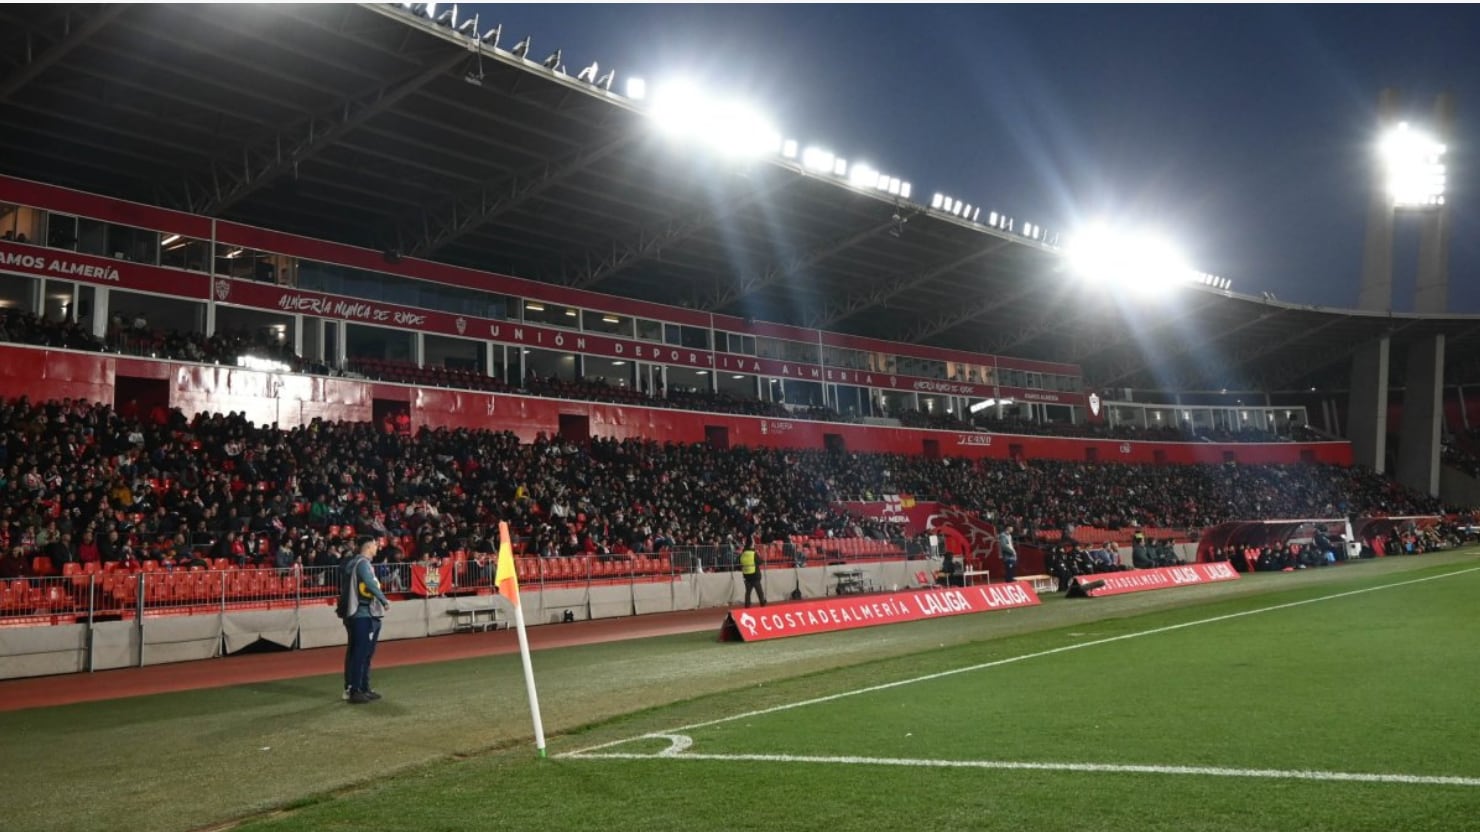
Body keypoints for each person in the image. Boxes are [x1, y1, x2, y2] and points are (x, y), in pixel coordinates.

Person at [337, 537, 391, 704]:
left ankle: (362, 687)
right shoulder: (362, 564)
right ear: (368, 546)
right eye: (375, 544)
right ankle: (356, 689)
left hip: (360, 613)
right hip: (362, 613)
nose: (377, 547)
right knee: (360, 652)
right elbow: (370, 583)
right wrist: (384, 600)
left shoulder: (355, 563)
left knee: (361, 652)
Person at [739, 539, 765, 608]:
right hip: (755, 576)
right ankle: (762, 604)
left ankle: (747, 606)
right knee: (759, 592)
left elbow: (740, 563)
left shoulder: (742, 554)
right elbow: (760, 562)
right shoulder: (753, 554)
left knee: (748, 593)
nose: (754, 545)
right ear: (750, 545)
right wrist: (762, 559)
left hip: (747, 576)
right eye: (753, 544)